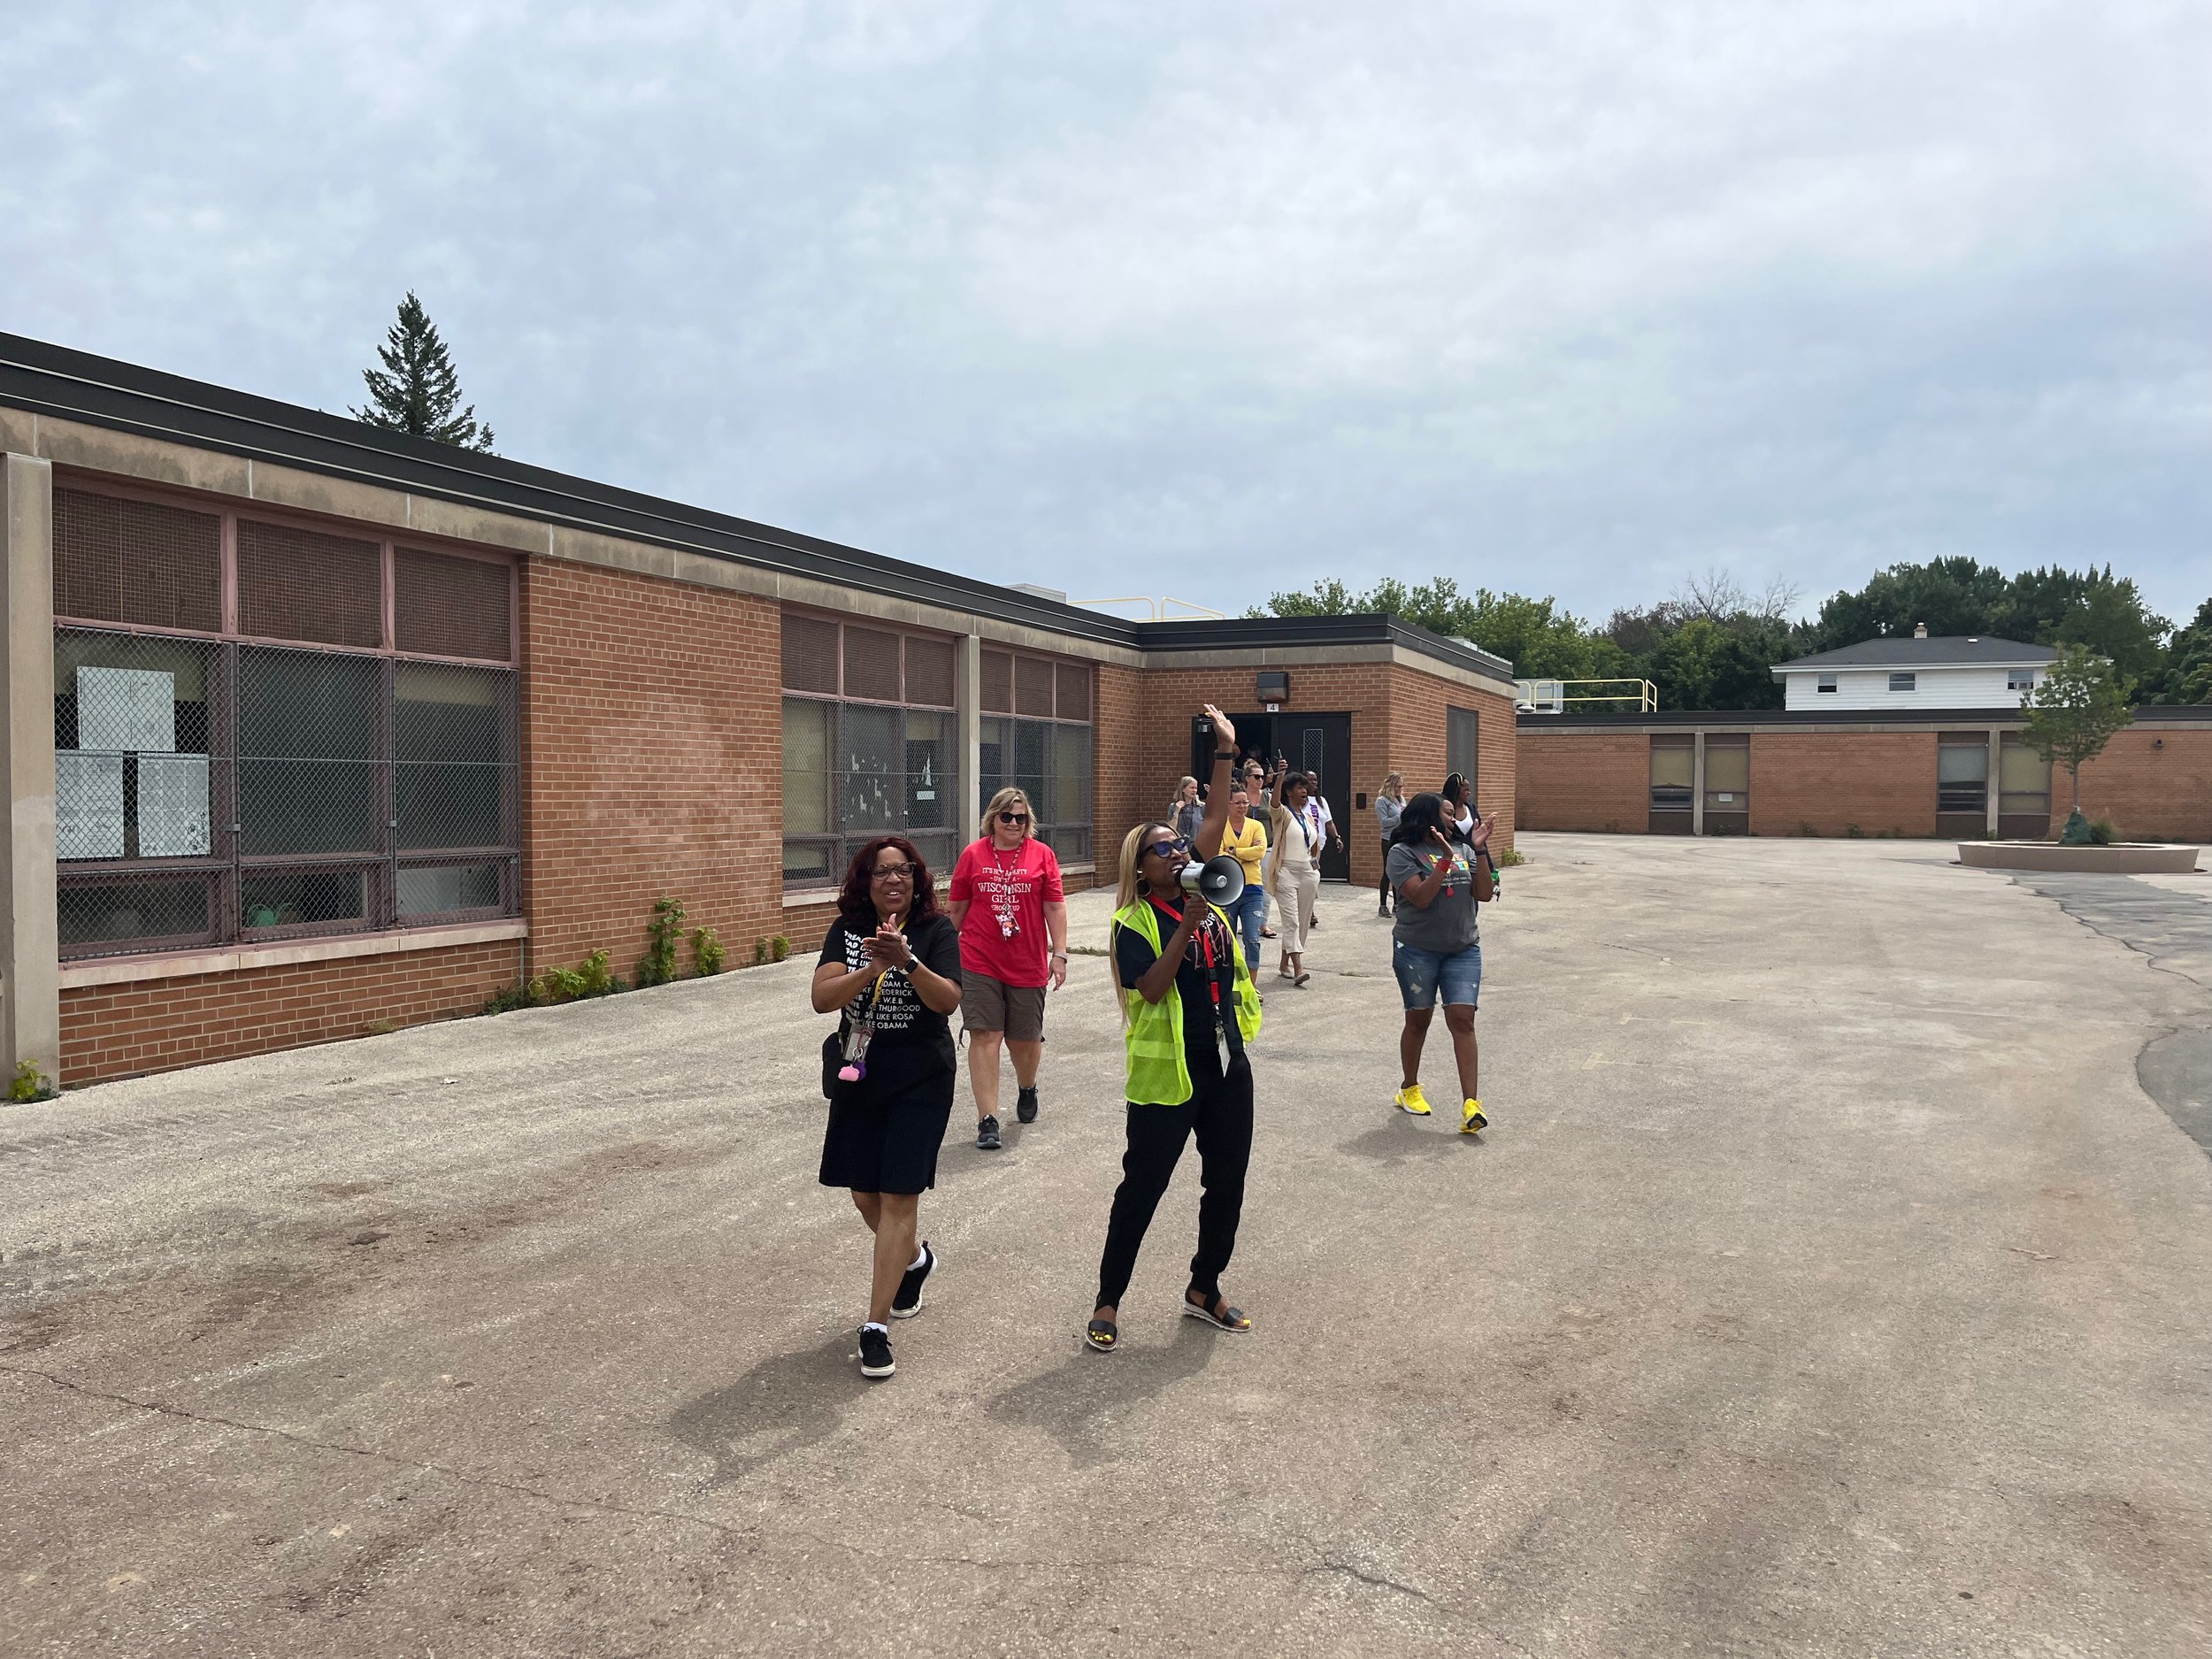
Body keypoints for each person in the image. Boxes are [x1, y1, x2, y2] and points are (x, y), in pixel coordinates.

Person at [1087, 705, 1263, 1354]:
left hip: (1224, 1066)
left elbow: (1213, 819)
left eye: (1180, 843)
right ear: (1142, 866)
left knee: (1227, 1180)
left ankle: (1204, 1285)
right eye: (1165, 846)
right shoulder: (1132, 921)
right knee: (1143, 1187)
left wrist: (1225, 748)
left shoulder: (1205, 885)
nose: (1180, 849)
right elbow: (1152, 986)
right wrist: (1186, 925)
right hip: (1169, 1078)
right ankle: (1109, 1298)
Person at [811, 837, 964, 1380]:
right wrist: (872, 969)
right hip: (861, 1070)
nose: (893, 880)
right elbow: (822, 998)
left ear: (918, 880)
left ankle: (875, 1327)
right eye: (881, 873)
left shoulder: (936, 931)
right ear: (866, 883)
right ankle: (916, 1260)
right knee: (863, 1192)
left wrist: (908, 960)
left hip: (920, 1076)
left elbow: (948, 1000)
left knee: (900, 1194)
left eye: (903, 871)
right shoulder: (846, 932)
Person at [947, 787, 1069, 1151]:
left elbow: (1055, 908)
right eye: (1007, 817)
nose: (1014, 823)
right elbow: (956, 909)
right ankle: (988, 1119)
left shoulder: (1042, 856)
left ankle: (1027, 1086)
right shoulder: (973, 855)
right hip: (978, 958)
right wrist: (939, 954)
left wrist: (1059, 953)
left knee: (1025, 1040)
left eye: (1021, 818)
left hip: (1027, 960)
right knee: (985, 1035)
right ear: (993, 819)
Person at [1384, 793, 1496, 1134]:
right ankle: (1409, 1088)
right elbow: (1419, 897)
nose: (1455, 819)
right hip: (1417, 950)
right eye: (1448, 813)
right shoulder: (1401, 853)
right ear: (1429, 818)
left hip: (1463, 948)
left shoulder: (1463, 849)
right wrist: (1445, 860)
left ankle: (1471, 1106)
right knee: (1418, 1020)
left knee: (1463, 1020)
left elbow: (1484, 894)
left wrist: (1477, 849)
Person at [1265, 771, 1320, 987]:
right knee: (1292, 922)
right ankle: (1299, 967)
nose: (1304, 791)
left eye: (1305, 787)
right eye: (1299, 787)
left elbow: (1313, 843)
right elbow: (1275, 802)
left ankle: (1283, 963)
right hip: (1286, 871)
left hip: (1307, 871)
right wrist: (1280, 777)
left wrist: (1316, 864)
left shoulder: (1307, 817)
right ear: (1289, 792)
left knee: (1303, 922)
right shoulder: (1283, 815)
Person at [1217, 784, 1269, 973]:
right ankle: (1230, 981)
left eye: (1245, 802)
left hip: (1252, 889)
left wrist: (1234, 851)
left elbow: (1260, 851)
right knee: (1226, 939)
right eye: (1237, 802)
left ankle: (1252, 984)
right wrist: (1245, 854)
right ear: (1228, 804)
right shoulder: (1221, 827)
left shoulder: (1256, 826)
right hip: (1227, 890)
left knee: (1252, 938)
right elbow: (1219, 855)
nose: (1242, 806)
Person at [1373, 772, 1406, 918]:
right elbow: (1384, 822)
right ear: (1391, 786)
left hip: (1401, 837)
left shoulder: (1400, 799)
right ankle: (1383, 904)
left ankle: (1397, 903)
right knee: (1387, 871)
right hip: (1388, 838)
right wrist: (1401, 816)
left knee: (1399, 871)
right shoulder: (1382, 801)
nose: (1400, 789)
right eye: (1398, 786)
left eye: (1402, 786)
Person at [1168, 776, 1204, 843]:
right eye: (1192, 788)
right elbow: (1171, 830)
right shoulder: (1173, 806)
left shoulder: (1201, 806)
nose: (1194, 790)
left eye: (1196, 788)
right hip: (1180, 846)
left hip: (1197, 845)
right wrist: (1176, 812)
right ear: (1183, 789)